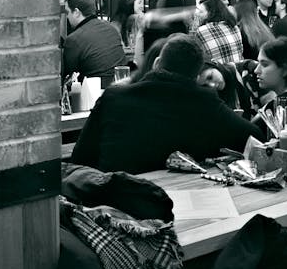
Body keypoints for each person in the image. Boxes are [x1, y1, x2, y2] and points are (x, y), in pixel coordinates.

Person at [69, 34, 259, 174]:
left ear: (157, 62)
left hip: (115, 201)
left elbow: (81, 156)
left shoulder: (113, 97)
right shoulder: (206, 102)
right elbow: (254, 137)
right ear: (195, 75)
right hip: (176, 204)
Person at [61, 0, 127, 82]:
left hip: (94, 92)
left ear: (76, 12)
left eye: (67, 13)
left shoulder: (74, 39)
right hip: (122, 86)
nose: (67, 17)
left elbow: (69, 76)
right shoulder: (111, 28)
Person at [191, 0, 244, 65]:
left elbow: (194, 54)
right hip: (238, 70)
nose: (197, 14)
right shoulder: (234, 27)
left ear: (210, 13)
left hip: (218, 72)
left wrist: (194, 25)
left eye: (201, 12)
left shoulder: (202, 30)